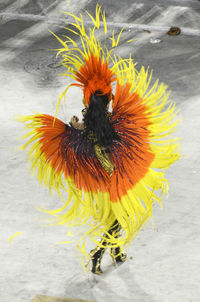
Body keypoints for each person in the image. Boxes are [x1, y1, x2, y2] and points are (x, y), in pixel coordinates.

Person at [19, 5, 180, 274]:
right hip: (117, 167)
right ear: (107, 99)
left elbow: (90, 132)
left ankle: (115, 251)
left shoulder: (90, 115)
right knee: (121, 217)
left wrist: (75, 128)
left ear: (87, 99)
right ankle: (98, 253)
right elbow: (111, 133)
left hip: (97, 167)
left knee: (120, 216)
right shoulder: (109, 117)